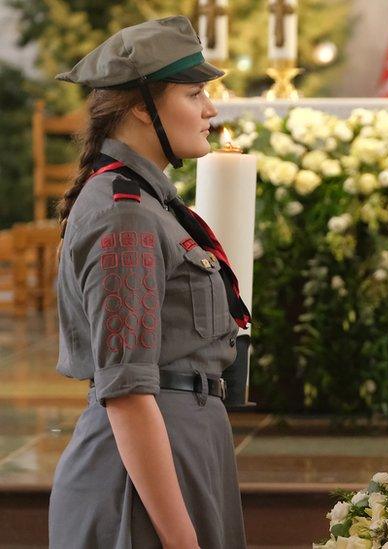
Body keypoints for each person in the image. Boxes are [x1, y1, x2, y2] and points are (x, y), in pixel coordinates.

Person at [49, 16, 250, 548]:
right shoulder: (125, 213)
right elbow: (128, 393)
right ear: (141, 106)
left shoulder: (149, 203)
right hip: (139, 476)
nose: (211, 110)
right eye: (194, 94)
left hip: (183, 450)